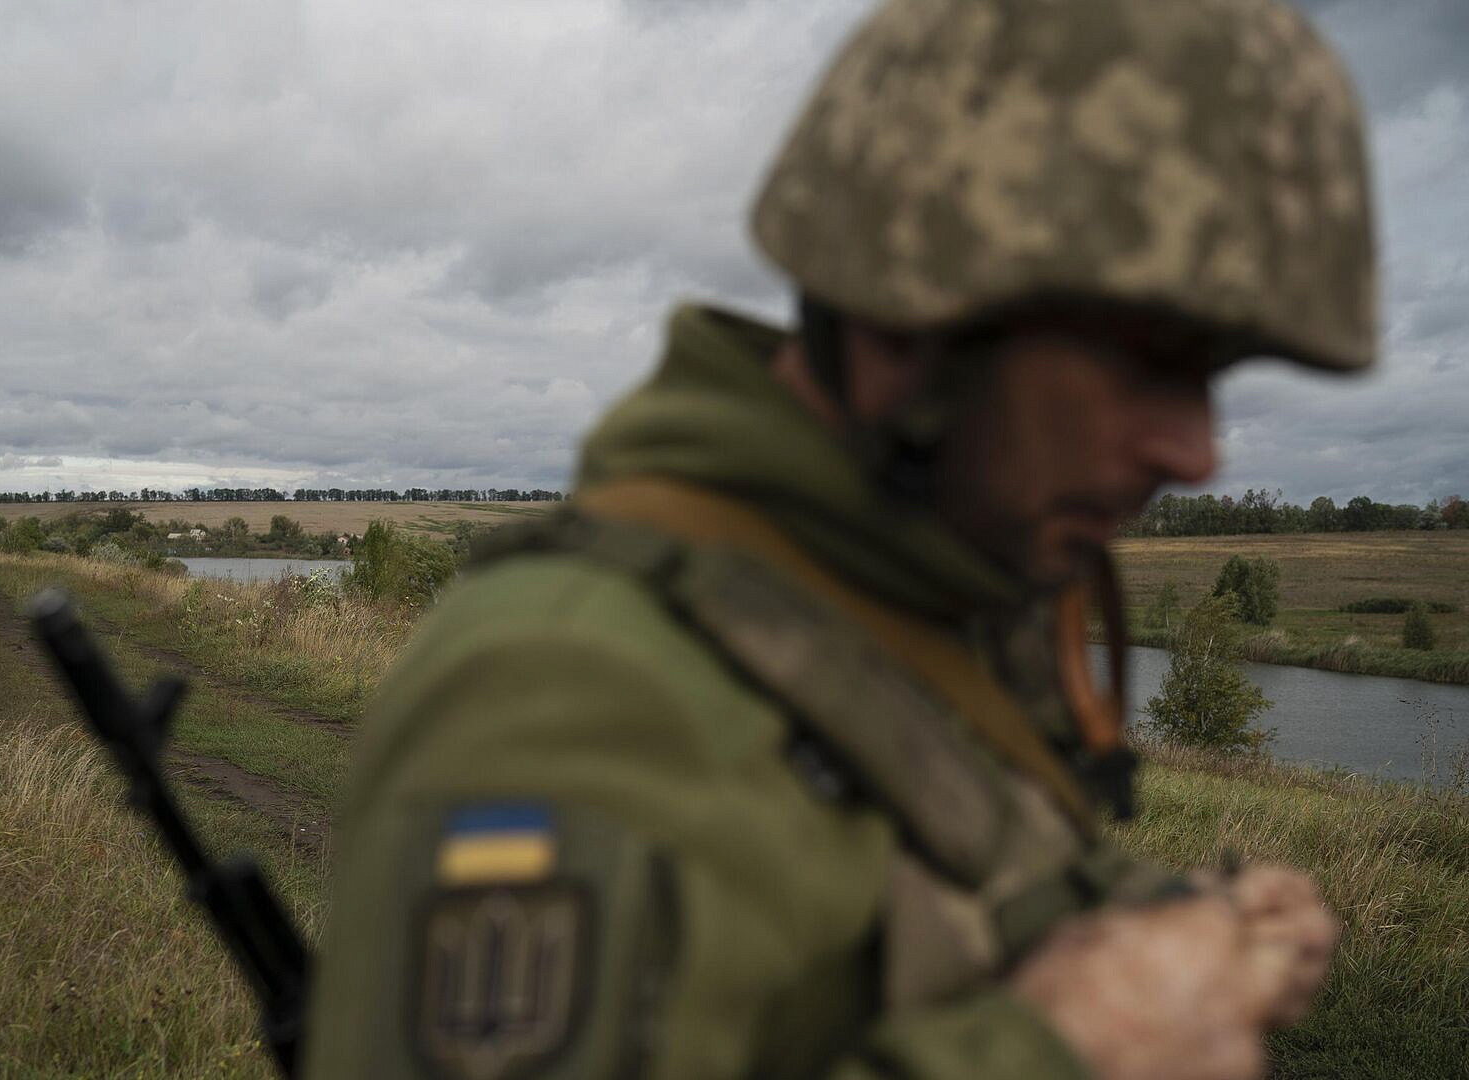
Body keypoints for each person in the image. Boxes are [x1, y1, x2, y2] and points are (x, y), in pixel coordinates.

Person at [305, 0, 1366, 1077]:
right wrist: (1063, 1050)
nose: (1198, 453)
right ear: (912, 316)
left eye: (1213, 374)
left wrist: (1198, 935)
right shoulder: (562, 691)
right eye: (1149, 359)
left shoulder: (935, 598)